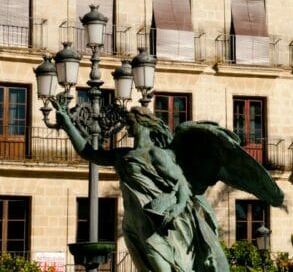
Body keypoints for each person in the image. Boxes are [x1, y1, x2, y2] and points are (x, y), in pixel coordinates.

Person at [54, 103, 227, 272]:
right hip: (132, 222)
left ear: (143, 123)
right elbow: (89, 153)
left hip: (152, 223)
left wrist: (177, 207)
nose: (127, 127)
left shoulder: (155, 154)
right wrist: (68, 125)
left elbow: (181, 184)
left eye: (131, 123)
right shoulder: (121, 154)